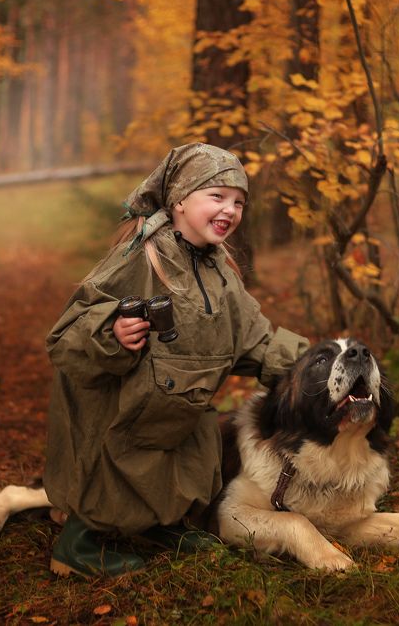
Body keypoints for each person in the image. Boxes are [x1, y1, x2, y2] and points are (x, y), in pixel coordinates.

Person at [42, 143, 309, 577]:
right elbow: (66, 335)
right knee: (117, 473)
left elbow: (254, 338)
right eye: (217, 196)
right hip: (124, 412)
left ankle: (159, 526)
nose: (230, 210)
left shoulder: (220, 270)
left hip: (179, 410)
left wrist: (312, 364)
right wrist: (113, 331)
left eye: (239, 202)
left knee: (186, 465)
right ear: (180, 199)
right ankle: (80, 543)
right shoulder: (142, 256)